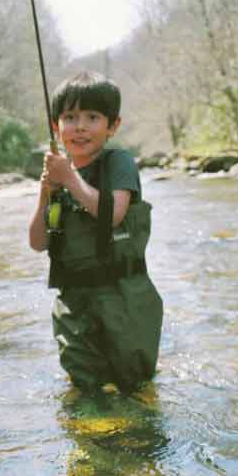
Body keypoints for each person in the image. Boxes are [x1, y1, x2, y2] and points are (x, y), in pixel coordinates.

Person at [28, 71, 163, 393]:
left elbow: (113, 215)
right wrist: (46, 193)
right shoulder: (58, 174)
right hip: (73, 305)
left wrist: (69, 179)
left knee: (134, 387)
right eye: (70, 118)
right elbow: (37, 242)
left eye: (93, 117)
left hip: (125, 300)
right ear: (56, 126)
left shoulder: (118, 162)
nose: (80, 127)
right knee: (85, 389)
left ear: (113, 126)